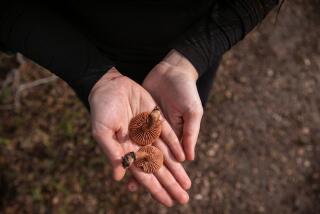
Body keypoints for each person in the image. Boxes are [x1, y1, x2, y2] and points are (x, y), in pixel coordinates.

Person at [0, 0, 279, 207]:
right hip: (87, 45)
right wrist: (92, 76)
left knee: (178, 122)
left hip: (191, 45)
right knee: (113, 113)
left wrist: (193, 57)